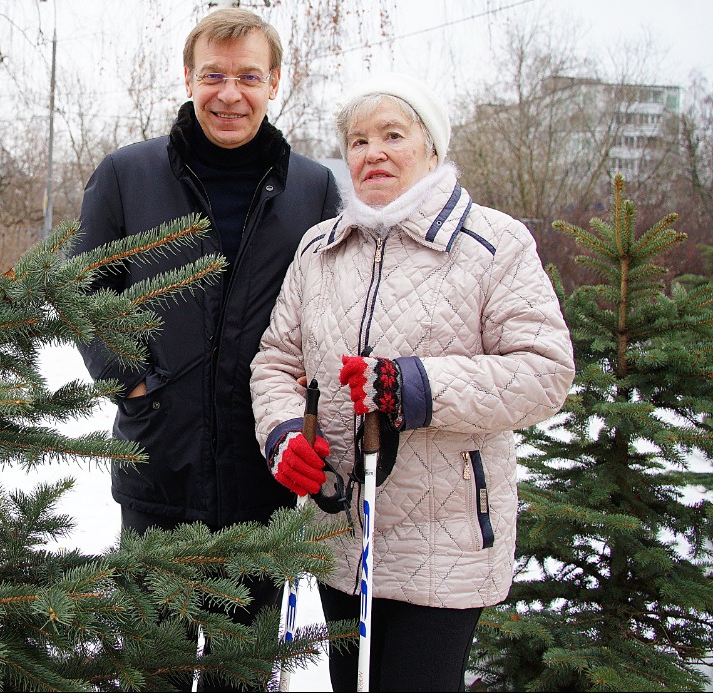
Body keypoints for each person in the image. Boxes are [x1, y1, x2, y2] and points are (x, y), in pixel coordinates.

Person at [249, 73, 575, 691]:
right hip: (341, 534)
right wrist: (286, 433)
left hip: (444, 541)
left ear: (431, 147)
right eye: (358, 141)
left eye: (392, 135)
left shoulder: (494, 243)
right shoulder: (319, 249)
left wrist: (415, 388)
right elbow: (276, 361)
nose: (373, 152)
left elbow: (544, 371)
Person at [73, 9, 340, 689]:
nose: (230, 94)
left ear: (274, 82)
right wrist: (133, 382)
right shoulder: (128, 175)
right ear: (188, 77)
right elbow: (83, 290)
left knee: (242, 674)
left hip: (263, 478)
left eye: (248, 77)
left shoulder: (312, 189)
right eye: (214, 76)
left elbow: (330, 310)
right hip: (160, 465)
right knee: (152, 669)